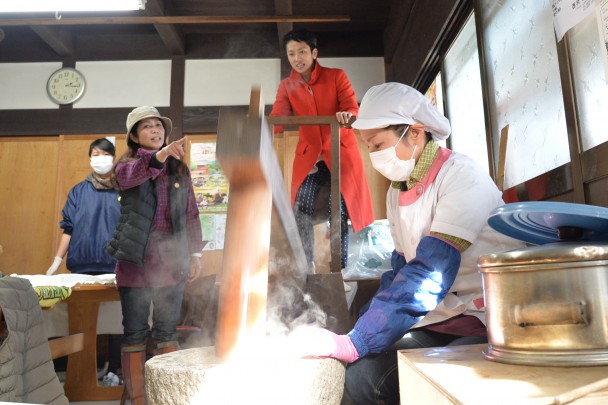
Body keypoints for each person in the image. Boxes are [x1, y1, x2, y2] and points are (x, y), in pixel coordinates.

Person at [290, 83, 525, 404]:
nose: (373, 154)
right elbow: (401, 270)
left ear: (415, 133)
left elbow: (431, 270)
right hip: (438, 318)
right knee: (361, 378)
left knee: (436, 387)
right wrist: (362, 333)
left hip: (486, 320)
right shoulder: (396, 191)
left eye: (377, 144)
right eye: (368, 145)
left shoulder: (461, 176)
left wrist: (359, 340)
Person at [104, 106, 204, 405]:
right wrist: (161, 156)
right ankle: (138, 399)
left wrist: (195, 252)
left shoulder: (179, 169)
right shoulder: (126, 167)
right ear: (134, 136)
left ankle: (166, 396)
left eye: (159, 127)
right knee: (134, 332)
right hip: (134, 264)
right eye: (147, 127)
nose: (156, 131)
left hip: (170, 263)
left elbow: (190, 212)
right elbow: (137, 174)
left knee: (166, 331)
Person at [270, 28, 374, 274]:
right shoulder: (287, 86)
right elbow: (278, 118)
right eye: (292, 53)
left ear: (314, 53)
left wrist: (347, 115)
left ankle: (340, 266)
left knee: (340, 208)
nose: (297, 58)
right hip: (311, 157)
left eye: (303, 51)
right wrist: (259, 130)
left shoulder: (336, 76)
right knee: (300, 206)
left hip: (340, 152)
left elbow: (351, 106)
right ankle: (307, 264)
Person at [46, 137, 123, 383]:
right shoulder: (79, 191)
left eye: (105, 153)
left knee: (117, 320)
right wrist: (57, 261)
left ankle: (115, 371)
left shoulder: (124, 189)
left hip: (115, 267)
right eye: (95, 154)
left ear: (113, 157)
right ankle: (77, 374)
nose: (100, 158)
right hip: (81, 266)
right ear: (90, 158)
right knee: (78, 318)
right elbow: (68, 228)